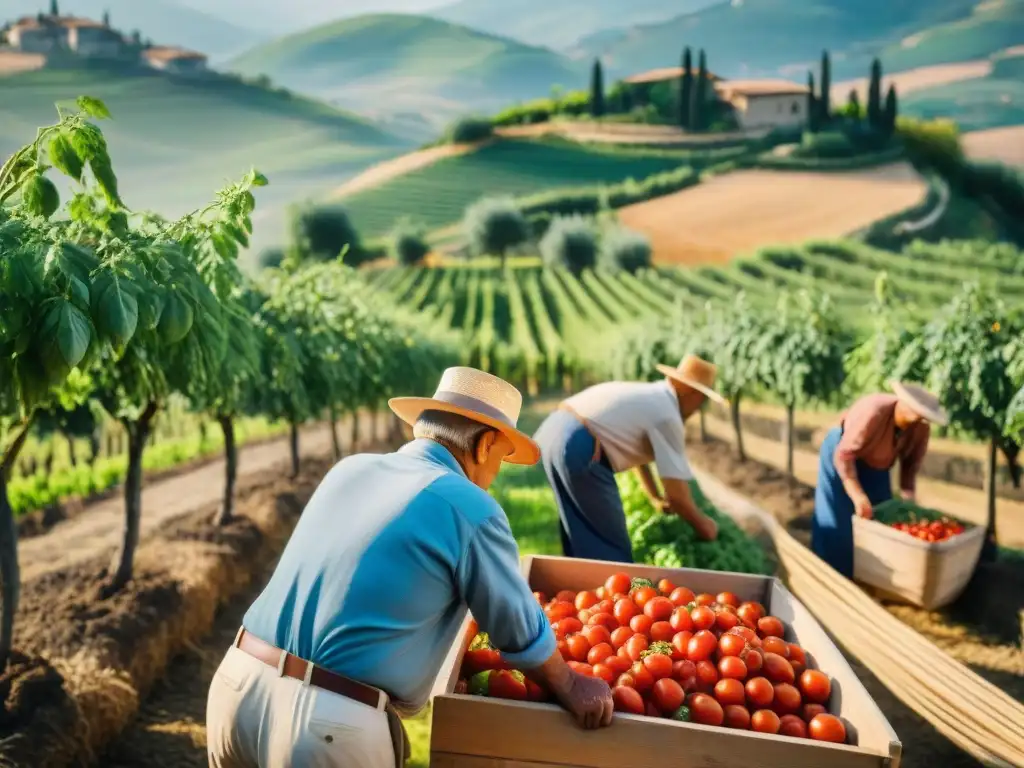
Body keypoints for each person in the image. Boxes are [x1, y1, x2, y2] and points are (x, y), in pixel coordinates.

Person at [206, 367, 614, 768]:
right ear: (486, 444)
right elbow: (515, 625)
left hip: (235, 686)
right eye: (502, 459)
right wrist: (571, 682)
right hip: (324, 726)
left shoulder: (348, 469)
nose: (494, 475)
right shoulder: (469, 506)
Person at [533, 354, 724, 564]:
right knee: (610, 549)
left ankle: (575, 592)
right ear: (691, 392)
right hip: (580, 446)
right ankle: (606, 594)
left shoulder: (650, 395)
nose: (700, 407)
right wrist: (704, 525)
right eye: (702, 399)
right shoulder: (667, 415)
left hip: (554, 431)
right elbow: (677, 496)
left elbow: (639, 456)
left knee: (580, 531)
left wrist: (653, 496)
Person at [812, 381, 949, 578]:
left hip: (877, 464)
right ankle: (831, 573)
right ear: (902, 404)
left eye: (922, 417)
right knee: (838, 519)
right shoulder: (875, 411)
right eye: (914, 413)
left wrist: (908, 497)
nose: (917, 419)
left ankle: (870, 575)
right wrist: (858, 495)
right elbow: (844, 455)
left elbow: (910, 465)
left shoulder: (920, 429)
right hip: (842, 453)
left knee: (880, 516)